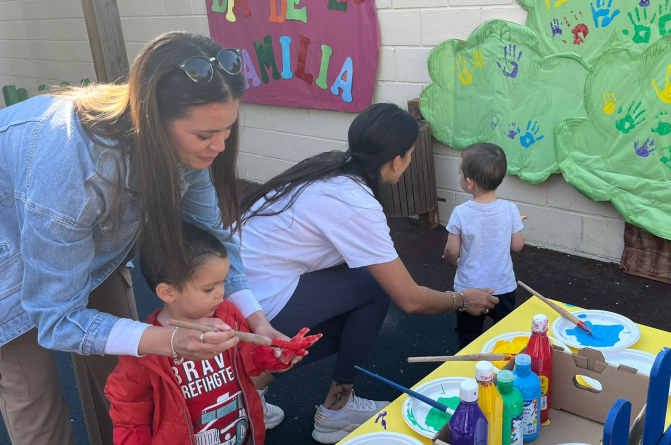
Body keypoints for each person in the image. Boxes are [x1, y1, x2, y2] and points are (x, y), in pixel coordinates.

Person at [0, 32, 287, 445]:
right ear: (154, 123)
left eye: (227, 129)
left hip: (84, 239)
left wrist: (256, 317)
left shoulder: (180, 143)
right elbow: (57, 319)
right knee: (36, 402)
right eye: (205, 135)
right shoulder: (74, 174)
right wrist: (170, 340)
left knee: (126, 380)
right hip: (10, 257)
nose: (220, 146)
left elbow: (214, 237)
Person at [238, 103, 500, 444]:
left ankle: (250, 390)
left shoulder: (331, 166)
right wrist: (461, 299)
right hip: (252, 306)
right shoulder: (354, 202)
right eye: (410, 154)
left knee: (355, 310)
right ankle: (336, 410)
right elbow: (410, 299)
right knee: (374, 289)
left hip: (234, 291)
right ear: (397, 160)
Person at [105, 223, 311, 445]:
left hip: (240, 433)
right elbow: (129, 408)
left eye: (222, 282)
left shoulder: (228, 315)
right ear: (168, 292)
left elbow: (248, 359)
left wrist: (274, 356)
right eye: (209, 288)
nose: (221, 293)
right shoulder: (145, 346)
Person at [442, 143, 525, 349]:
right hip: (503, 286)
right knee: (505, 335)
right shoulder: (510, 209)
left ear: (469, 182)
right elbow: (517, 245)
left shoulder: (460, 212)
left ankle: (470, 363)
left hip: (469, 288)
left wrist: (452, 260)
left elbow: (451, 251)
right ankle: (503, 364)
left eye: (460, 172)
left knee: (468, 335)